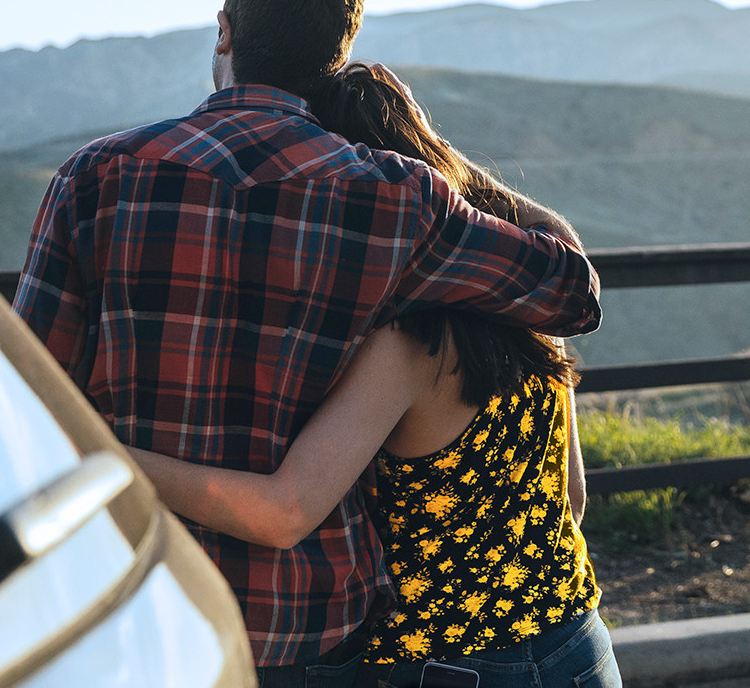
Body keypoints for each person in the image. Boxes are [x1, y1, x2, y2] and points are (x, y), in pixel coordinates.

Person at [12, 0, 602, 685]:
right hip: (312, 629)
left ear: (227, 30)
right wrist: (442, 168)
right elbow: (570, 291)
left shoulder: (93, 180)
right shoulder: (401, 199)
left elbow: (25, 402)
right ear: (339, 48)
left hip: (139, 605)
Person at [126, 62, 621, 688]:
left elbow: (285, 511)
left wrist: (117, 463)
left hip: (449, 664)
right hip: (578, 639)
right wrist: (449, 171)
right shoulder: (529, 310)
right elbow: (571, 501)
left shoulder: (409, 342)